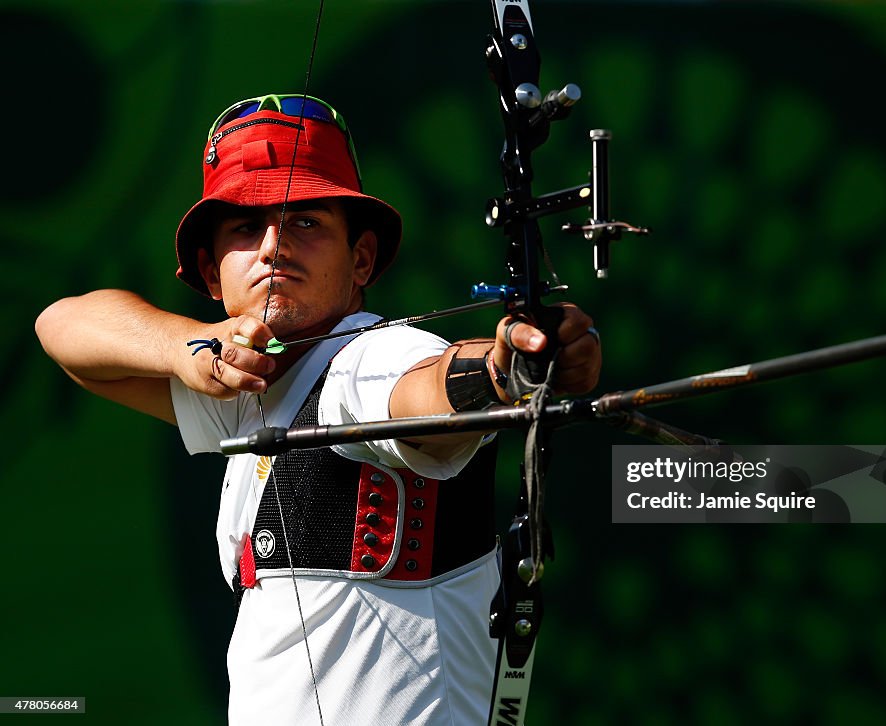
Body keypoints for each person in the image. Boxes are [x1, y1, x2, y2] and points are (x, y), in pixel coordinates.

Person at [35, 93, 600, 724]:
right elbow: (63, 329)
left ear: (360, 260)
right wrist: (188, 349)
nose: (274, 245)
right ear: (212, 273)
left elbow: (426, 389)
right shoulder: (250, 388)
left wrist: (507, 367)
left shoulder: (372, 356)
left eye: (306, 221)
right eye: (247, 228)